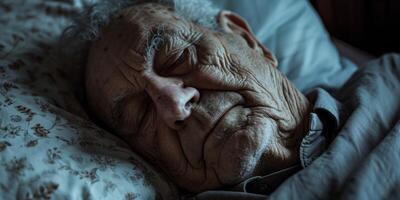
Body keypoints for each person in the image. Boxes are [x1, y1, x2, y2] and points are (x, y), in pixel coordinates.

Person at [60, 0, 400, 199]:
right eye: (138, 113)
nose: (174, 105)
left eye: (178, 57)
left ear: (247, 39)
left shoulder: (393, 84)